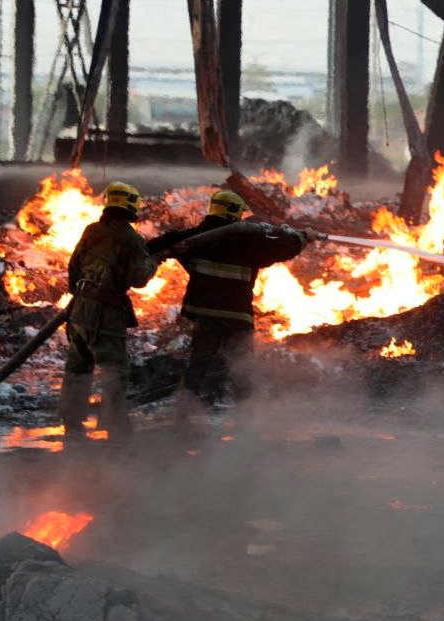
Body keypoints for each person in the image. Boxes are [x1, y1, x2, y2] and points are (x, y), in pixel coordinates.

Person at [149, 190, 309, 411]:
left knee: (198, 366)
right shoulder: (249, 244)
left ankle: (183, 418)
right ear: (234, 212)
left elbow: (161, 244)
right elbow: (285, 248)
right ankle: (247, 419)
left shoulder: (194, 239)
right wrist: (302, 237)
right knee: (242, 370)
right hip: (237, 318)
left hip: (204, 315)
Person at [60, 181, 158, 441]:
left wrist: (78, 295)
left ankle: (72, 422)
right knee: (114, 368)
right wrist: (153, 262)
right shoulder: (131, 238)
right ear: (129, 204)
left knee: (78, 366)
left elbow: (74, 265)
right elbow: (138, 279)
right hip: (107, 313)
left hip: (80, 309)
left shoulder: (92, 230)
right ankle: (115, 426)